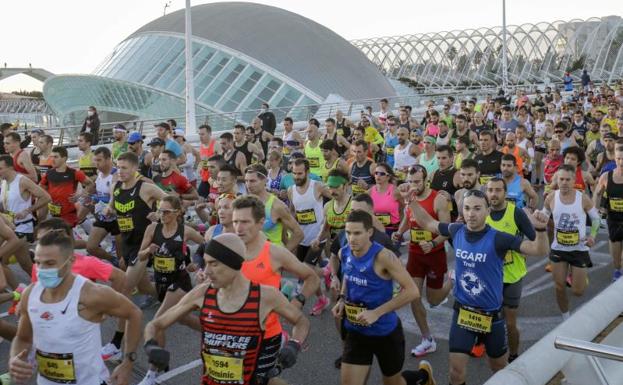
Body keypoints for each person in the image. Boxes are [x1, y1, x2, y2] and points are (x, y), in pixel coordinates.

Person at [409, 188, 549, 385]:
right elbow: (427, 222)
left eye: (477, 208)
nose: (471, 213)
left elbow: (538, 250)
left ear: (487, 211)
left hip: (491, 315)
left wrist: (541, 230)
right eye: (467, 208)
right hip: (463, 312)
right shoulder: (456, 230)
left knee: (498, 367)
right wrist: (411, 201)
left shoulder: (499, 238)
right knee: (456, 371)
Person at [143, 233, 309, 385]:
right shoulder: (201, 294)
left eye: (213, 264)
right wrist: (151, 346)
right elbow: (155, 325)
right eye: (206, 263)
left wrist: (294, 344)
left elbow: (301, 321)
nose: (207, 271)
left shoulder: (266, 297)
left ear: (234, 264)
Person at [8, 230, 142, 385]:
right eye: (38, 263)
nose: (42, 270)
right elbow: (23, 338)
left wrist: (128, 363)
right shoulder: (30, 294)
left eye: (50, 263)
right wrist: (15, 358)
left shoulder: (91, 294)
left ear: (70, 260)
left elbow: (134, 314)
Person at [332, 210, 436, 385]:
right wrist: (342, 298)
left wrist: (376, 313)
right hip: (356, 331)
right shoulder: (345, 253)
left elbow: (412, 291)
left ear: (370, 232)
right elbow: (348, 277)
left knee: (393, 382)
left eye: (357, 233)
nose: (351, 239)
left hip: (385, 332)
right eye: (348, 233)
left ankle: (422, 377)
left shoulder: (383, 257)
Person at [232, 196, 320, 380]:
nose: (239, 228)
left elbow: (311, 278)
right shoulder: (228, 250)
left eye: (245, 222)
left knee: (259, 379)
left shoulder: (274, 253)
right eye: (235, 221)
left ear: (260, 223)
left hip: (266, 336)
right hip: (232, 334)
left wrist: (299, 300)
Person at [135, 196, 204, 384]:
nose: (161, 215)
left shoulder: (185, 231)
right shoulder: (152, 229)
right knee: (182, 319)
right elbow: (140, 256)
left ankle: (155, 368)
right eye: (159, 210)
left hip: (179, 282)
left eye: (166, 212)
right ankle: (213, 331)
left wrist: (196, 264)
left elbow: (207, 244)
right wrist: (148, 250)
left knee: (158, 321)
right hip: (160, 282)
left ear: (177, 213)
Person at [393, 164, 451, 358]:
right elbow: (407, 217)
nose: (413, 186)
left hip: (435, 255)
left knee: (434, 300)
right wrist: (399, 233)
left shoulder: (439, 200)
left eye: (417, 182)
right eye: (410, 181)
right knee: (414, 296)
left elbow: (447, 229)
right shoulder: (410, 197)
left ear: (426, 180)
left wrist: (433, 243)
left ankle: (452, 281)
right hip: (415, 254)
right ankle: (427, 339)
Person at [484, 178, 536, 362]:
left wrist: (522, 248)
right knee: (487, 316)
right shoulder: (482, 213)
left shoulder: (516, 213)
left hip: (512, 276)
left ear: (505, 193)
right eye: (490, 190)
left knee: (510, 322)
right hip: (488, 277)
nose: (494, 194)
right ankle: (488, 346)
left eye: (498, 190)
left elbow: (534, 239)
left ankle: (513, 355)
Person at [540, 164, 599, 319]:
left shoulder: (583, 198)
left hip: (579, 249)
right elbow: (545, 215)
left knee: (577, 291)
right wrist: (540, 217)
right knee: (559, 286)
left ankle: (578, 275)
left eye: (568, 179)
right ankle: (565, 317)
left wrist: (592, 236)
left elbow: (596, 219)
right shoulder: (551, 197)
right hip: (558, 248)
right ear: (557, 180)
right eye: (561, 179)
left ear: (574, 180)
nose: (564, 182)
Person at [288, 158, 332, 314]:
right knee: (308, 271)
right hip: (302, 238)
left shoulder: (318, 187)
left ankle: (322, 298)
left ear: (307, 172)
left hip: (318, 237)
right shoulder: (291, 190)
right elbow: (293, 211)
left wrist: (328, 220)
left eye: (300, 173)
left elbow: (336, 198)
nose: (297, 176)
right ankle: (327, 271)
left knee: (306, 272)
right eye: (294, 173)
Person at [244, 163, 304, 251]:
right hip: (252, 255)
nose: (248, 185)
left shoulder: (277, 206)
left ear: (265, 180)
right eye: (246, 181)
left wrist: (284, 256)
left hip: (272, 257)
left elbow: (299, 234)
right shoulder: (244, 203)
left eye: (252, 181)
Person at [0, 154, 51, 243]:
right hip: (9, 227)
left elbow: (46, 197)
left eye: (0, 169)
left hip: (22, 228)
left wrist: (27, 211)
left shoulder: (22, 181)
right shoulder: (4, 181)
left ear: (10, 168)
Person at [40, 146, 94, 227]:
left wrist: (79, 195)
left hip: (69, 213)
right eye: (52, 157)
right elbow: (41, 189)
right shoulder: (48, 174)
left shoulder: (74, 173)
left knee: (66, 236)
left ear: (64, 158)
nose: (53, 159)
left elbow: (91, 184)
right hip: (53, 213)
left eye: (56, 157)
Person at [85, 147, 122, 263]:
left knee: (122, 257)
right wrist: (91, 200)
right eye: (95, 160)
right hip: (105, 216)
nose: (96, 163)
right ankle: (112, 260)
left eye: (99, 160)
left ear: (108, 159)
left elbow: (116, 198)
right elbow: (97, 192)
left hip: (118, 218)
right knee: (91, 247)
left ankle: (122, 268)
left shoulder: (116, 175)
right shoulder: (99, 173)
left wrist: (100, 199)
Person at [593, 144, 623, 281]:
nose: (621, 162)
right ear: (615, 160)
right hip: (614, 220)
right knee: (616, 258)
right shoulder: (606, 176)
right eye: (618, 159)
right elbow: (597, 193)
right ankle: (617, 270)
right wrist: (594, 211)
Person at [370, 163, 402, 237]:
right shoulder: (370, 191)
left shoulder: (395, 191)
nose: (378, 175)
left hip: (392, 231)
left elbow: (405, 210)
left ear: (388, 177)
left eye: (382, 174)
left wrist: (400, 230)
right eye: (376, 173)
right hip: (376, 230)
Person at [197, 124, 221, 198]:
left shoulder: (216, 145)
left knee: (214, 201)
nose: (200, 137)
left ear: (210, 134)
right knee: (199, 199)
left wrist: (207, 160)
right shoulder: (201, 146)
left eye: (203, 134)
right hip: (204, 178)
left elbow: (222, 162)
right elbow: (203, 161)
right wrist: (200, 168)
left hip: (214, 179)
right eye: (199, 134)